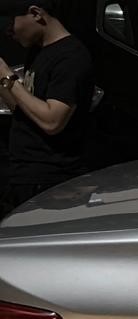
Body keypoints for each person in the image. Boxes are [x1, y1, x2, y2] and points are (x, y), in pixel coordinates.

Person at [0, 0, 93, 217]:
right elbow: (24, 110)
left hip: (52, 181)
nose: (8, 33)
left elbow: (52, 121)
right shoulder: (39, 51)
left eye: (10, 24)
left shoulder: (71, 57)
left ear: (36, 13)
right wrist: (2, 82)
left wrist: (8, 75)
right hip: (24, 175)